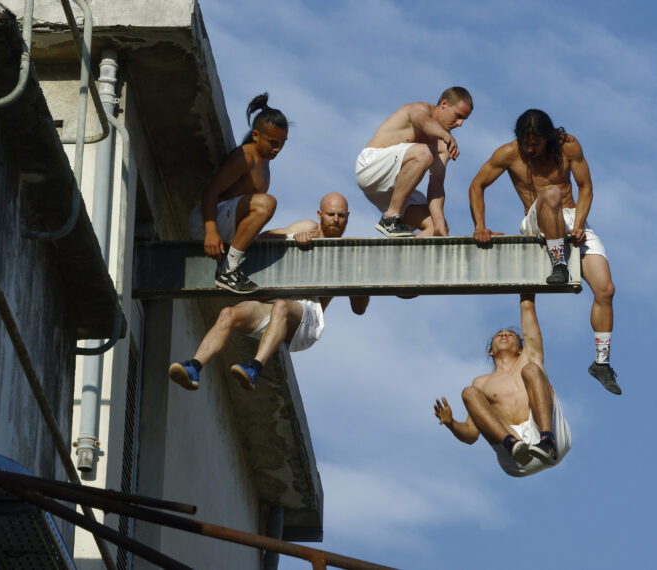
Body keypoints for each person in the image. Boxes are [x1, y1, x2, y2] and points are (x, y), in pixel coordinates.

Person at [468, 109, 620, 395]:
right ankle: (558, 262)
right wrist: (480, 226)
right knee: (550, 194)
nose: (530, 148)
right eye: (525, 141)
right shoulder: (509, 154)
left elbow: (585, 186)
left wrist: (579, 223)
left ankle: (601, 362)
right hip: (536, 222)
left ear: (548, 138)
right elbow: (477, 185)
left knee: (606, 289)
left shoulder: (568, 147)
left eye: (535, 142)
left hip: (572, 218)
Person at [170, 192, 369, 391]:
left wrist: (359, 276)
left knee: (281, 306)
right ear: (320, 214)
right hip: (275, 307)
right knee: (228, 314)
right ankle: (193, 368)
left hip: (308, 318)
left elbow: (359, 309)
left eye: (341, 216)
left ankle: (254, 369)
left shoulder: (347, 251)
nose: (336, 220)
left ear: (348, 217)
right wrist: (290, 238)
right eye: (331, 214)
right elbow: (262, 239)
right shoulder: (309, 228)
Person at [434, 294, 571, 477]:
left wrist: (525, 290)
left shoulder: (529, 356)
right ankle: (512, 444)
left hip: (547, 435)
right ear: (491, 351)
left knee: (531, 369)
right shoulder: (481, 383)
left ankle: (547, 441)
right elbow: (470, 435)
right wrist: (451, 423)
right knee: (469, 392)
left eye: (510, 334)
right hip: (515, 455)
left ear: (521, 348)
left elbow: (528, 308)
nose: (505, 334)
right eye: (499, 335)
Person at [189, 93, 288, 294]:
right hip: (207, 223)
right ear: (256, 135)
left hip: (227, 228)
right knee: (267, 203)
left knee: (287, 232)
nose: (277, 149)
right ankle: (228, 270)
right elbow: (210, 191)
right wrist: (210, 232)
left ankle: (232, 262)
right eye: (273, 142)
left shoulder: (265, 164)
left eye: (282, 142)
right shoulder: (245, 157)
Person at [355, 87, 473, 238]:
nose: (460, 123)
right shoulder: (419, 109)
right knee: (425, 152)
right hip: (371, 167)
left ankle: (399, 259)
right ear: (444, 103)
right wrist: (444, 135)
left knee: (436, 227)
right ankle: (390, 218)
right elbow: (424, 123)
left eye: (464, 119)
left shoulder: (443, 146)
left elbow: (436, 185)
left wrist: (439, 223)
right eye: (458, 116)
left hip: (391, 192)